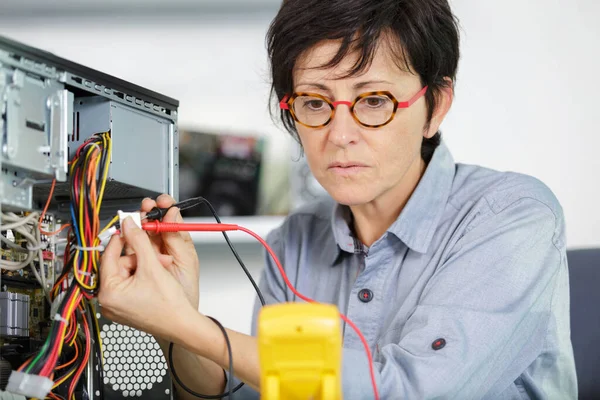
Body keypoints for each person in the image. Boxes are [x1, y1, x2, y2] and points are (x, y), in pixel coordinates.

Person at [98, 0, 578, 398]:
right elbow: (262, 391)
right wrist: (180, 321)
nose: (339, 134)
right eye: (315, 102)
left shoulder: (511, 216)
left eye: (374, 100)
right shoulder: (297, 242)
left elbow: (411, 393)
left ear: (436, 107)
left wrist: (188, 325)